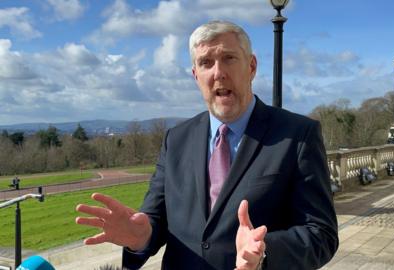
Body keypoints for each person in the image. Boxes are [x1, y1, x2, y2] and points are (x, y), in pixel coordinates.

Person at [76, 20, 338, 270]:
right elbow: (155, 218)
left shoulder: (298, 135)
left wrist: (264, 252)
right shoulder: (175, 139)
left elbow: (321, 234)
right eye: (205, 63)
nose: (218, 73)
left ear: (252, 66)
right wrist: (140, 236)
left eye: (229, 58)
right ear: (195, 75)